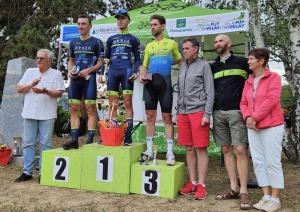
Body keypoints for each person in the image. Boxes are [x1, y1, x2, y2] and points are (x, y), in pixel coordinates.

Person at [210, 34, 252, 210]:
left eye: (220, 41)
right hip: (218, 112)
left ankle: (244, 191)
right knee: (226, 149)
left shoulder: (243, 62)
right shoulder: (213, 66)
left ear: (229, 43)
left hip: (237, 112)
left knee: (240, 149)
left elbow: (258, 78)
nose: (217, 44)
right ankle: (234, 188)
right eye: (215, 42)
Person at [240, 48, 284, 212]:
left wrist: (255, 117)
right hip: (253, 126)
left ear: (261, 61)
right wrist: (247, 118)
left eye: (251, 59)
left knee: (272, 161)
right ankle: (266, 196)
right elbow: (243, 103)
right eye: (248, 58)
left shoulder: (274, 78)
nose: (248, 61)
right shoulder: (248, 81)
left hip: (272, 125)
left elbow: (272, 100)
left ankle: (275, 199)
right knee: (259, 162)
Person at [15, 49, 65, 182]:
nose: (38, 60)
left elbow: (59, 93)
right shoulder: (30, 72)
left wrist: (45, 91)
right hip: (30, 112)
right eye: (37, 58)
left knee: (46, 144)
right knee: (28, 143)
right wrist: (31, 85)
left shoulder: (56, 74)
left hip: (47, 114)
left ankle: (44, 171)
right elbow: (19, 89)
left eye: (42, 58)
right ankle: (27, 172)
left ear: (49, 61)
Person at [139, 14, 183, 166]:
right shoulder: (149, 46)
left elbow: (181, 61)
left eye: (155, 24)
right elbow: (145, 64)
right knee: (150, 117)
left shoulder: (172, 44)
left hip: (165, 83)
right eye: (151, 25)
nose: (152, 27)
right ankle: (149, 151)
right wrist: (141, 75)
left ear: (163, 26)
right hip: (150, 84)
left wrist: (187, 77)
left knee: (167, 118)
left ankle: (170, 153)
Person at [177, 38, 214, 200]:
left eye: (186, 48)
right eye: (182, 49)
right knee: (189, 148)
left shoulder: (204, 66)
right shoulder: (183, 67)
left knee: (200, 148)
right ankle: (192, 182)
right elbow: (179, 93)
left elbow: (210, 92)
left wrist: (207, 114)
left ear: (196, 49)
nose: (184, 51)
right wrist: (177, 112)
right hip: (183, 113)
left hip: (198, 111)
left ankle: (202, 184)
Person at [97, 9, 141, 146]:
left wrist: (135, 71)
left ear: (128, 20)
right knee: (112, 105)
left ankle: (128, 136)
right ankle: (112, 133)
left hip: (127, 71)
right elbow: (106, 58)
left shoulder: (133, 39)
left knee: (128, 103)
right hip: (113, 72)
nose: (120, 21)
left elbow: (138, 59)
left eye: (122, 18)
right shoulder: (111, 39)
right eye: (118, 19)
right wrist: (101, 73)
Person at [62, 14, 104, 150]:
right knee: (74, 109)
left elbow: (100, 63)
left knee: (90, 109)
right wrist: (69, 71)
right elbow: (71, 60)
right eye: (79, 24)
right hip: (74, 80)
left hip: (89, 79)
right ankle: (74, 140)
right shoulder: (73, 42)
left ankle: (90, 140)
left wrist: (88, 70)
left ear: (90, 26)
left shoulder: (96, 42)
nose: (81, 26)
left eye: (84, 24)